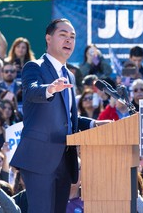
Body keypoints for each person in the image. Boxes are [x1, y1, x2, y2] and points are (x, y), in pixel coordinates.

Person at [10, 18, 106, 213]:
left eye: (72, 37)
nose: (69, 40)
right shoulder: (34, 67)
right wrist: (50, 89)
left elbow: (69, 120)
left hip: (65, 159)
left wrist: (93, 124)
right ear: (48, 38)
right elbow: (31, 91)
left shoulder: (69, 75)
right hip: (39, 158)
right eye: (63, 35)